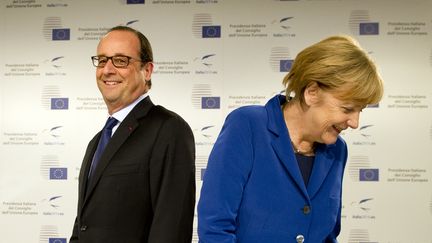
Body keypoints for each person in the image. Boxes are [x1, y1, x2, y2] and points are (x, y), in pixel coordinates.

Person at [197, 35, 383, 243]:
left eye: (360, 111)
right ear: (312, 92)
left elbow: (328, 236)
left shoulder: (337, 150)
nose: (355, 123)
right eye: (347, 109)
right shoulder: (247, 126)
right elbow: (216, 229)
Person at [70, 25, 195, 243]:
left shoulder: (168, 129)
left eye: (120, 60)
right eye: (102, 60)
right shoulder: (97, 142)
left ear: (147, 71)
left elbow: (171, 228)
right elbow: (83, 225)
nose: (107, 69)